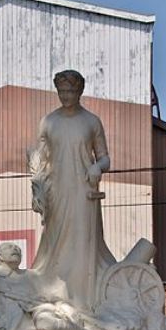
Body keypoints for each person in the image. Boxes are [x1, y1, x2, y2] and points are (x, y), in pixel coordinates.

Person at [29, 70, 116, 312]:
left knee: (81, 240)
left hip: (83, 191)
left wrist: (98, 167)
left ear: (80, 91)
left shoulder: (91, 121)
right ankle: (53, 292)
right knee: (55, 240)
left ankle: (82, 300)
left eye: (70, 91)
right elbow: (40, 160)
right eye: (61, 92)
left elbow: (105, 157)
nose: (65, 96)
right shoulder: (48, 122)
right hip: (57, 191)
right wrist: (37, 189)